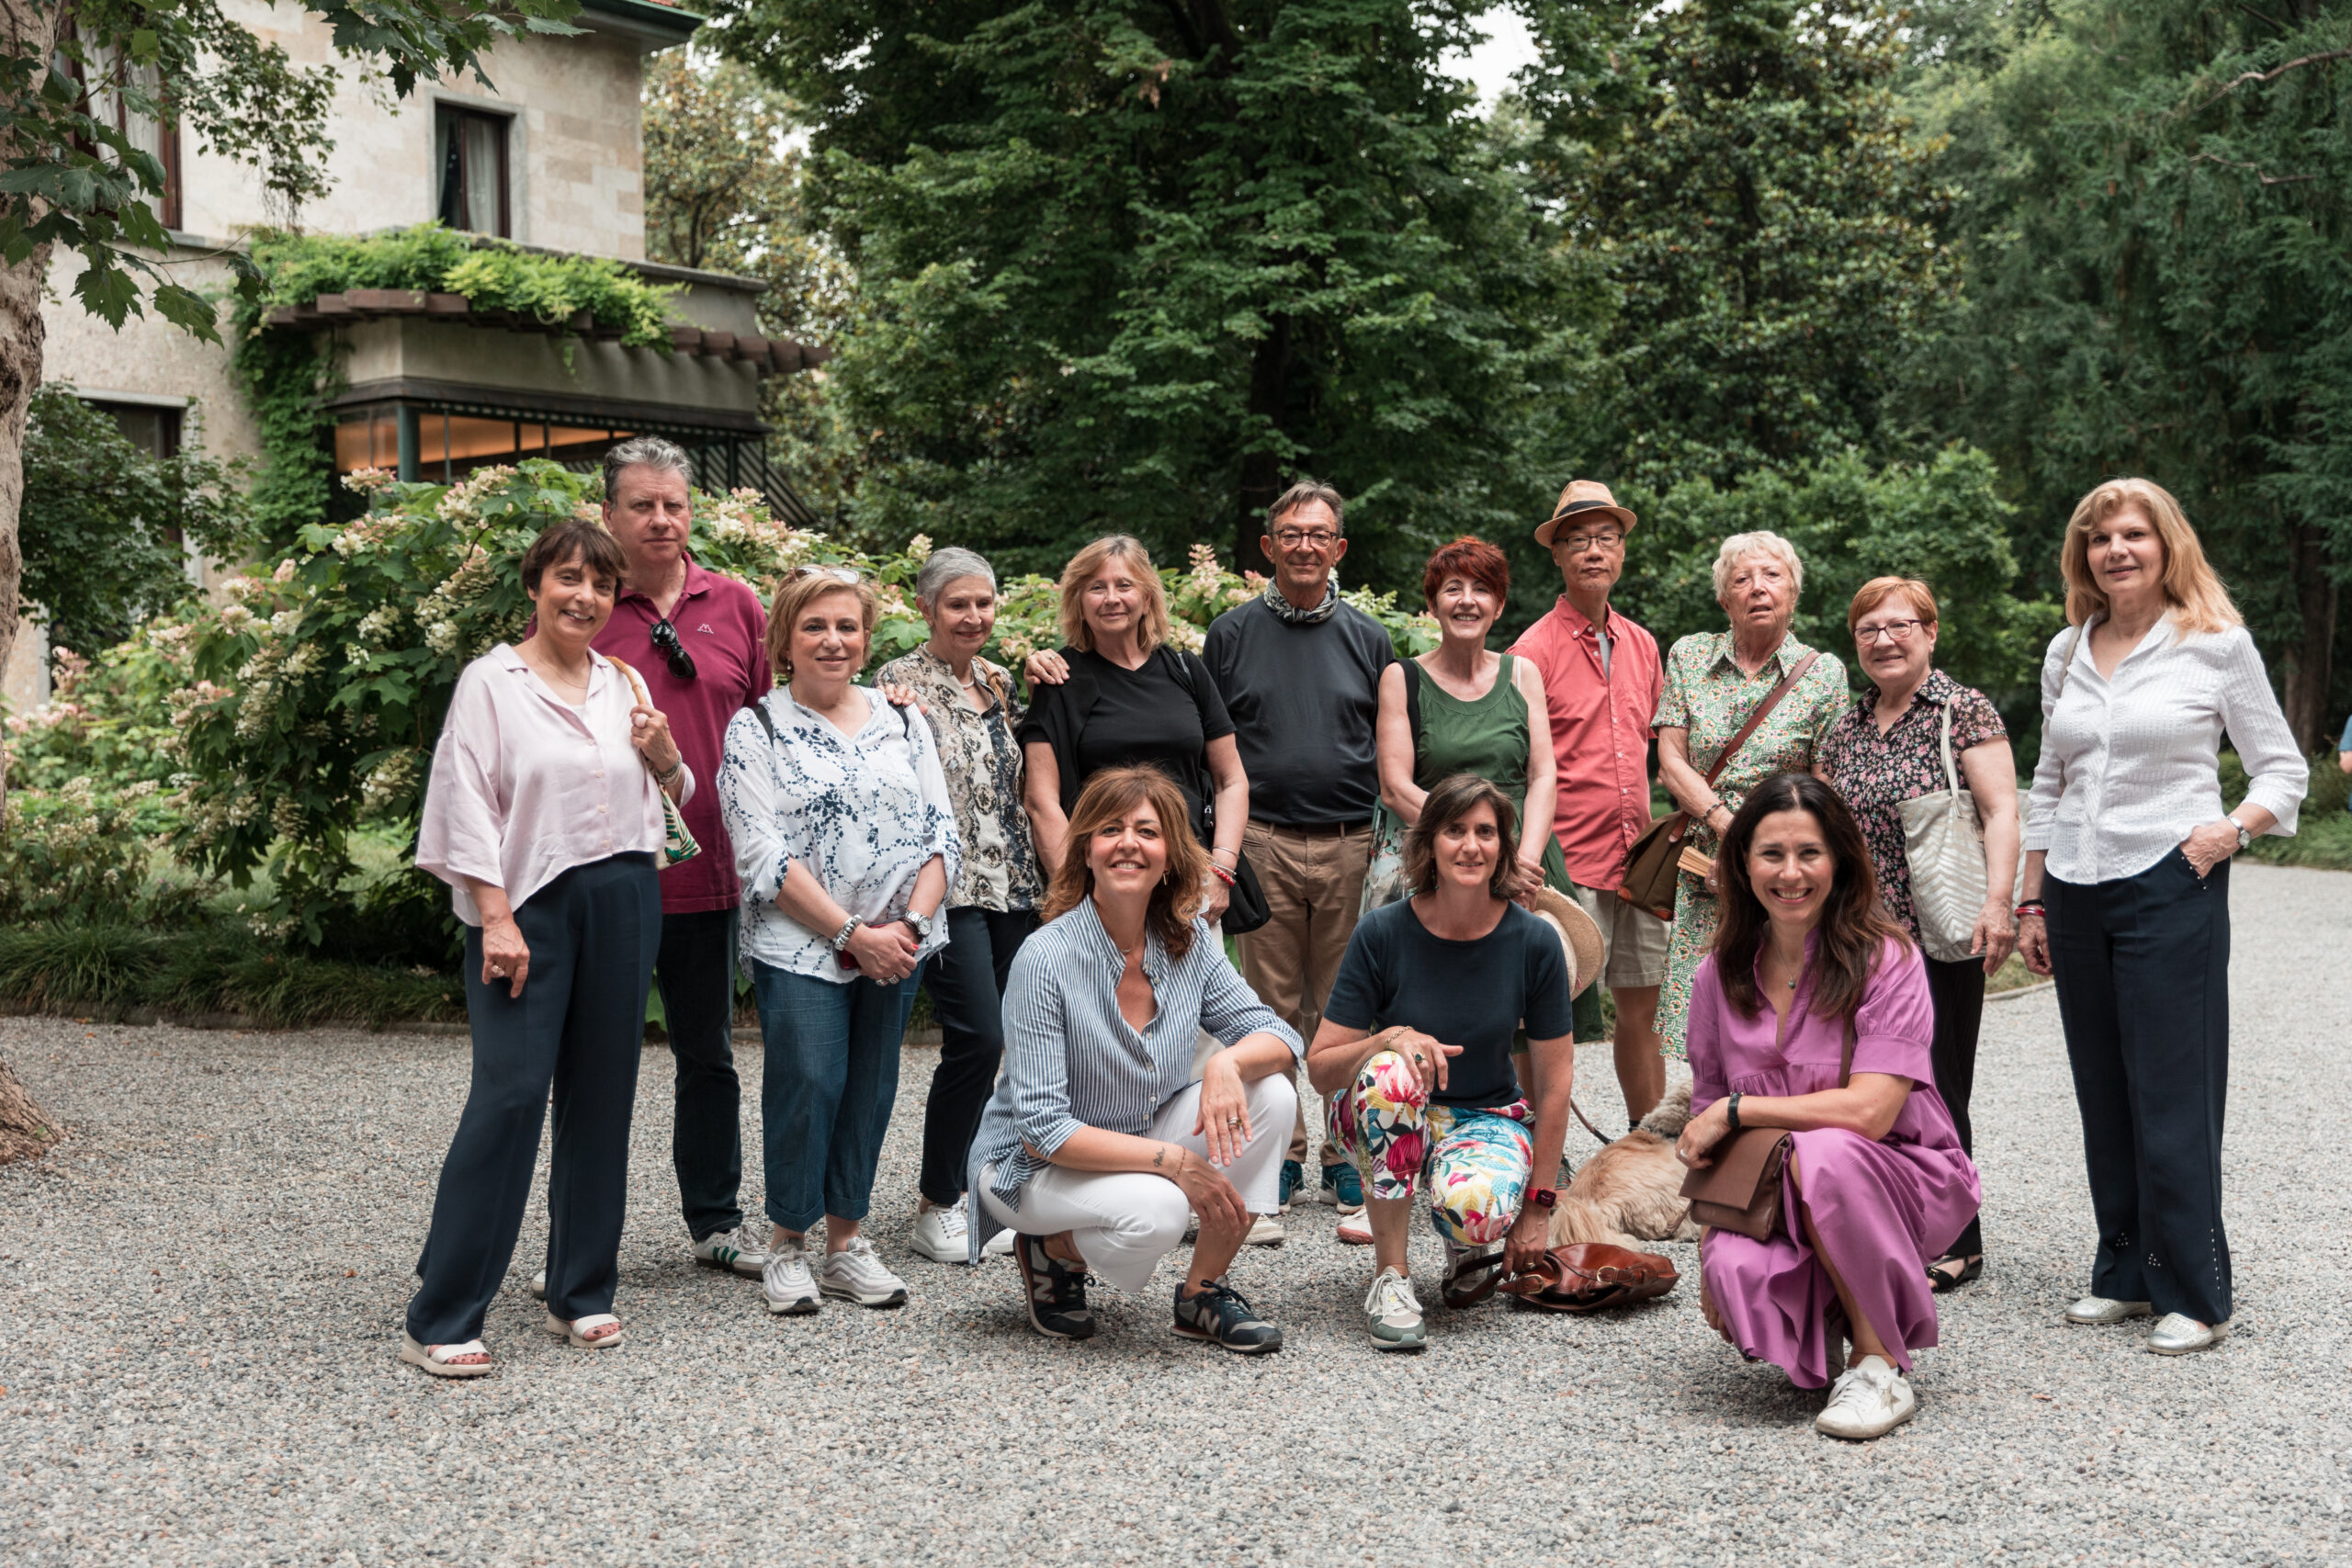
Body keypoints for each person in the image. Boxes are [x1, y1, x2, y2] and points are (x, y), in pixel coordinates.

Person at [2017, 478, 2305, 1356]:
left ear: (2166, 543)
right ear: (2084, 556)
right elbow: (2049, 779)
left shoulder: (2215, 644)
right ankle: (2125, 1273)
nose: (2117, 550)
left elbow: (2282, 770)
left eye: (2134, 534)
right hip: (2074, 883)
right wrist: (2031, 894)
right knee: (2103, 1086)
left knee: (2172, 1091)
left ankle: (2194, 1290)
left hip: (2170, 879)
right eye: (2101, 538)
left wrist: (2225, 833)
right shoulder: (2068, 650)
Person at [401, 519, 689, 1376]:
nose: (586, 597)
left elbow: (670, 794)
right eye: (570, 578)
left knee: (603, 1096)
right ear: (535, 585)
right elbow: (464, 804)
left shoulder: (623, 678)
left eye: (602, 585)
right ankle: (442, 1310)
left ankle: (582, 1288)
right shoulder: (491, 684)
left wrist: (670, 759)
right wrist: (492, 914)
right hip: (525, 904)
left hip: (626, 893)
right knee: (512, 1095)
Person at [1675, 773, 1981, 1441]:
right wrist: (1708, 1251)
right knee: (1737, 1267)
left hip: (1896, 1172)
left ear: (1839, 858)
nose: (1791, 872)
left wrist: (1740, 1109)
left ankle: (1879, 1365)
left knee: (1825, 1150)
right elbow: (1708, 1138)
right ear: (1741, 862)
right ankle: (1831, 1326)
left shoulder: (1888, 957)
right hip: (1775, 1192)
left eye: (1809, 852)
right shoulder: (1714, 976)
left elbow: (1871, 1112)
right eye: (1771, 853)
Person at [967, 766, 1302, 1354]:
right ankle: (1052, 1249)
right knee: (1160, 1211)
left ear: (1169, 855)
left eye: (1147, 831)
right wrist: (1174, 1161)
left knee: (1272, 1094)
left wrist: (1226, 1065)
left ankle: (1202, 1293)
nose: (1128, 843)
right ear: (1087, 852)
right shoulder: (1044, 957)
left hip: (1138, 1136)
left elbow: (1277, 1036)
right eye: (1110, 830)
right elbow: (1043, 1130)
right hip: (1031, 1165)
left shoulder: (1190, 938)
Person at [719, 566, 960, 1315]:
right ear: (785, 638)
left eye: (847, 626)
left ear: (866, 638)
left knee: (870, 1087)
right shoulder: (755, 727)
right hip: (802, 944)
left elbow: (941, 831)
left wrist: (909, 928)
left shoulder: (904, 718)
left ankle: (845, 1242)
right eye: (815, 626)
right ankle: (788, 1243)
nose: (833, 640)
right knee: (808, 1083)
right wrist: (853, 934)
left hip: (902, 942)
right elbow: (760, 852)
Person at [1306, 774, 1584, 1351]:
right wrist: (1392, 1037)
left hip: (1486, 1116)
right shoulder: (1381, 932)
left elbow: (1555, 1087)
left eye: (1486, 832)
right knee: (1388, 1075)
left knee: (1475, 1210)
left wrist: (1538, 1209)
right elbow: (1321, 1068)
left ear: (1504, 848)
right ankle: (1391, 1276)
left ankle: (1465, 1242)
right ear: (1429, 841)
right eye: (1455, 830)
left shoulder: (1534, 942)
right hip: (1379, 1113)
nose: (1470, 845)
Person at [586, 436, 773, 1284]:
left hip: (710, 875)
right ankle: (590, 1231)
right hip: (611, 871)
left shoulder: (735, 603)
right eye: (642, 505)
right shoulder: (583, 605)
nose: (661, 519)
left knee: (708, 1052)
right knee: (600, 1054)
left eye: (674, 505)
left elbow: (780, 724)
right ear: (609, 515)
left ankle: (715, 1220)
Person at [1199, 480, 1395, 1225]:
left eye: (1320, 534)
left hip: (1350, 841)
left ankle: (1345, 1155)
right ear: (1269, 546)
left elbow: (1387, 742)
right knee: (1269, 1006)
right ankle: (1281, 1152)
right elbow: (1212, 750)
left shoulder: (1369, 638)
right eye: (1292, 532)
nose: (1306, 544)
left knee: (1345, 1008)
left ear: (1339, 547)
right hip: (1263, 842)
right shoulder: (1231, 634)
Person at [1817, 577, 2019, 1294]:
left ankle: (1958, 1237)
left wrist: (2002, 903)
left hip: (1940, 933)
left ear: (1930, 632)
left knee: (1938, 1083)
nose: (1884, 639)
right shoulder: (1845, 727)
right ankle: (1889, 1220)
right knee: (1864, 1084)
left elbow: (2001, 812)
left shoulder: (1961, 710)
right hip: (1858, 941)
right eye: (1869, 629)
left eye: (1900, 625)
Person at [875, 547, 1043, 1265]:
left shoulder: (1001, 682)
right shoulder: (897, 683)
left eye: (984, 603)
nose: (974, 617)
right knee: (975, 1035)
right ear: (927, 609)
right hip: (948, 887)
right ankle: (935, 1203)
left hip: (1016, 885)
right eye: (957, 605)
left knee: (1024, 1040)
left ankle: (994, 1186)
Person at [1509, 479, 1670, 1125]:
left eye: (1606, 538)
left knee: (1642, 1010)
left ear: (1623, 551)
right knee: (1545, 1017)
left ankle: (1650, 1146)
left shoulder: (1643, 644)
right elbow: (1519, 768)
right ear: (1558, 554)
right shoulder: (1531, 650)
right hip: (1566, 862)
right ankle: (1541, 1149)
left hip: (1640, 861)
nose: (1593, 551)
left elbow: (1652, 748)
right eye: (1578, 540)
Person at [1653, 531, 1848, 1059]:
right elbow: (1671, 759)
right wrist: (1727, 827)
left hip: (1787, 869)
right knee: (1706, 1027)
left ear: (1794, 591)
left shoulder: (1825, 673)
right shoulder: (1689, 656)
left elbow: (1824, 781)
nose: (1757, 588)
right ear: (1724, 598)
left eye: (1772, 576)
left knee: (1782, 1010)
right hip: (1707, 869)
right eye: (1742, 579)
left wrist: (1766, 848)